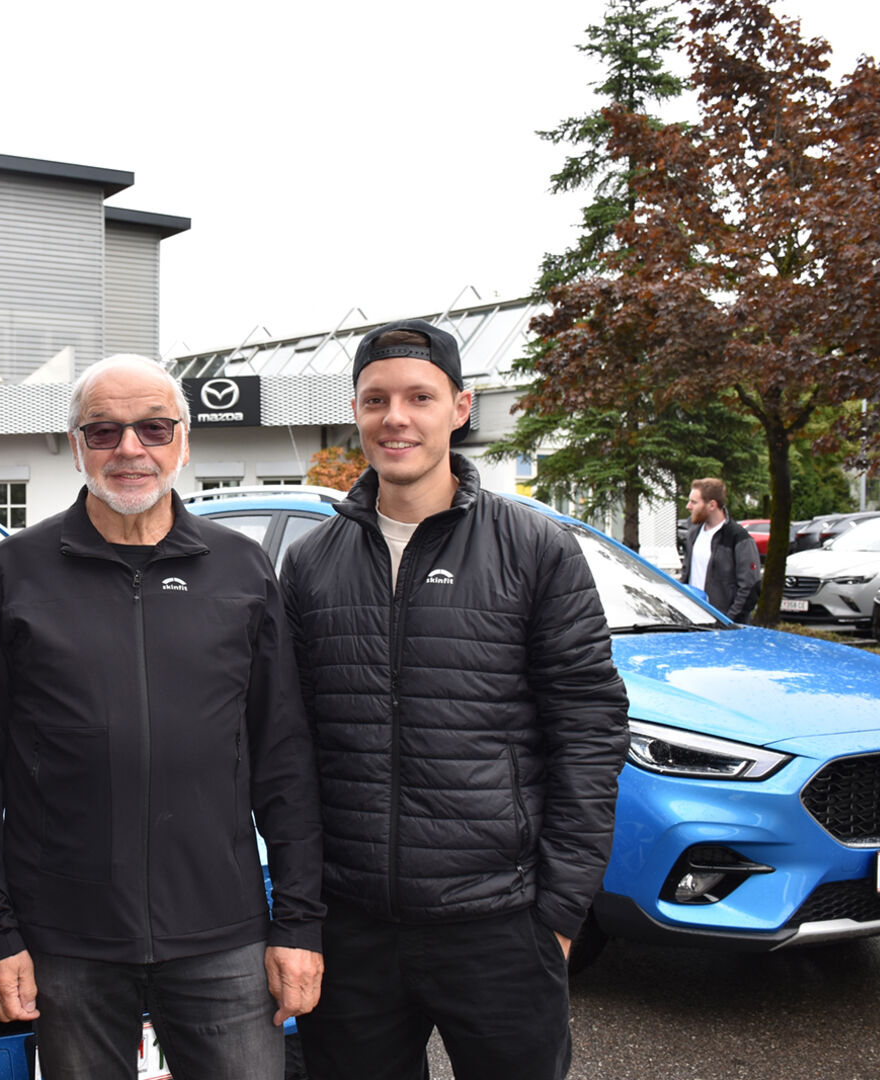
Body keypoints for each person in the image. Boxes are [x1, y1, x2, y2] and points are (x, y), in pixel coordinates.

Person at [0, 354, 325, 1080]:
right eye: (103, 431)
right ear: (73, 443)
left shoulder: (241, 571)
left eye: (152, 428)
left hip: (223, 937)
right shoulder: (14, 573)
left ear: (182, 440)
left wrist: (299, 923)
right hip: (67, 943)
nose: (129, 449)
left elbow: (284, 760)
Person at [281, 320, 629, 1080]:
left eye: (418, 397)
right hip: (353, 927)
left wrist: (559, 911)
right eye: (375, 400)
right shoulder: (311, 564)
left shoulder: (535, 549)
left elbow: (589, 728)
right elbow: (291, 749)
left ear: (460, 407)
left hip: (499, 922)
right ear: (356, 410)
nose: (394, 418)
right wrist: (301, 913)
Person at [681, 477, 761, 621]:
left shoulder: (738, 538)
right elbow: (686, 575)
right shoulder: (693, 533)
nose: (688, 506)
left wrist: (728, 622)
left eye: (694, 502)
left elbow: (750, 587)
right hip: (693, 622)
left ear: (712, 505)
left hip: (723, 629)